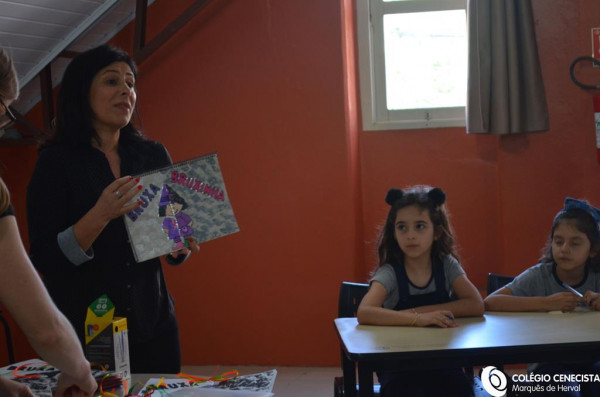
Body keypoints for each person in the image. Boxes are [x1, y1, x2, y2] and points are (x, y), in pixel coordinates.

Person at [26, 44, 199, 374]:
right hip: (86, 331)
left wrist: (179, 242)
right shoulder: (55, 163)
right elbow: (45, 258)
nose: (126, 91)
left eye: (131, 83)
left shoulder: (152, 154)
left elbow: (170, 238)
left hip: (155, 323)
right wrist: (101, 214)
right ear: (82, 92)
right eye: (111, 81)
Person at [0, 48, 96, 397]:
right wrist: (82, 373)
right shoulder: (53, 164)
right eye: (3, 113)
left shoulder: (147, 155)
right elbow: (46, 329)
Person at [357, 185, 484, 397]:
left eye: (420, 226)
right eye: (402, 227)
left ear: (437, 232)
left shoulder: (446, 265)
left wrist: (421, 312)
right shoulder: (391, 272)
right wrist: (419, 319)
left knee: (460, 390)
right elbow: (365, 312)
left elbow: (475, 304)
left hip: (442, 361)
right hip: (399, 366)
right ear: (394, 233)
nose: (411, 235)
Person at [485, 197, 600, 397]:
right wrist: (547, 303)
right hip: (547, 364)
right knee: (566, 390)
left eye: (575, 243)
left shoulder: (596, 276)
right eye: (558, 241)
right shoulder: (539, 275)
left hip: (591, 360)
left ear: (593, 250)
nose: (564, 249)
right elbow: (491, 302)